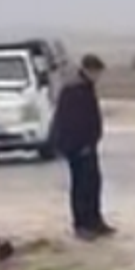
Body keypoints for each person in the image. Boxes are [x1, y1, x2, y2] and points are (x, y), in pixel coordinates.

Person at [51, 54, 112, 240]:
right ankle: (82, 224)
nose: (98, 76)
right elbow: (71, 121)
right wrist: (78, 145)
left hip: (88, 144)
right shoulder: (74, 89)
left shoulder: (86, 87)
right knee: (81, 186)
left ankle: (95, 220)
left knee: (93, 183)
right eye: (97, 72)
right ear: (88, 69)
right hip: (77, 146)